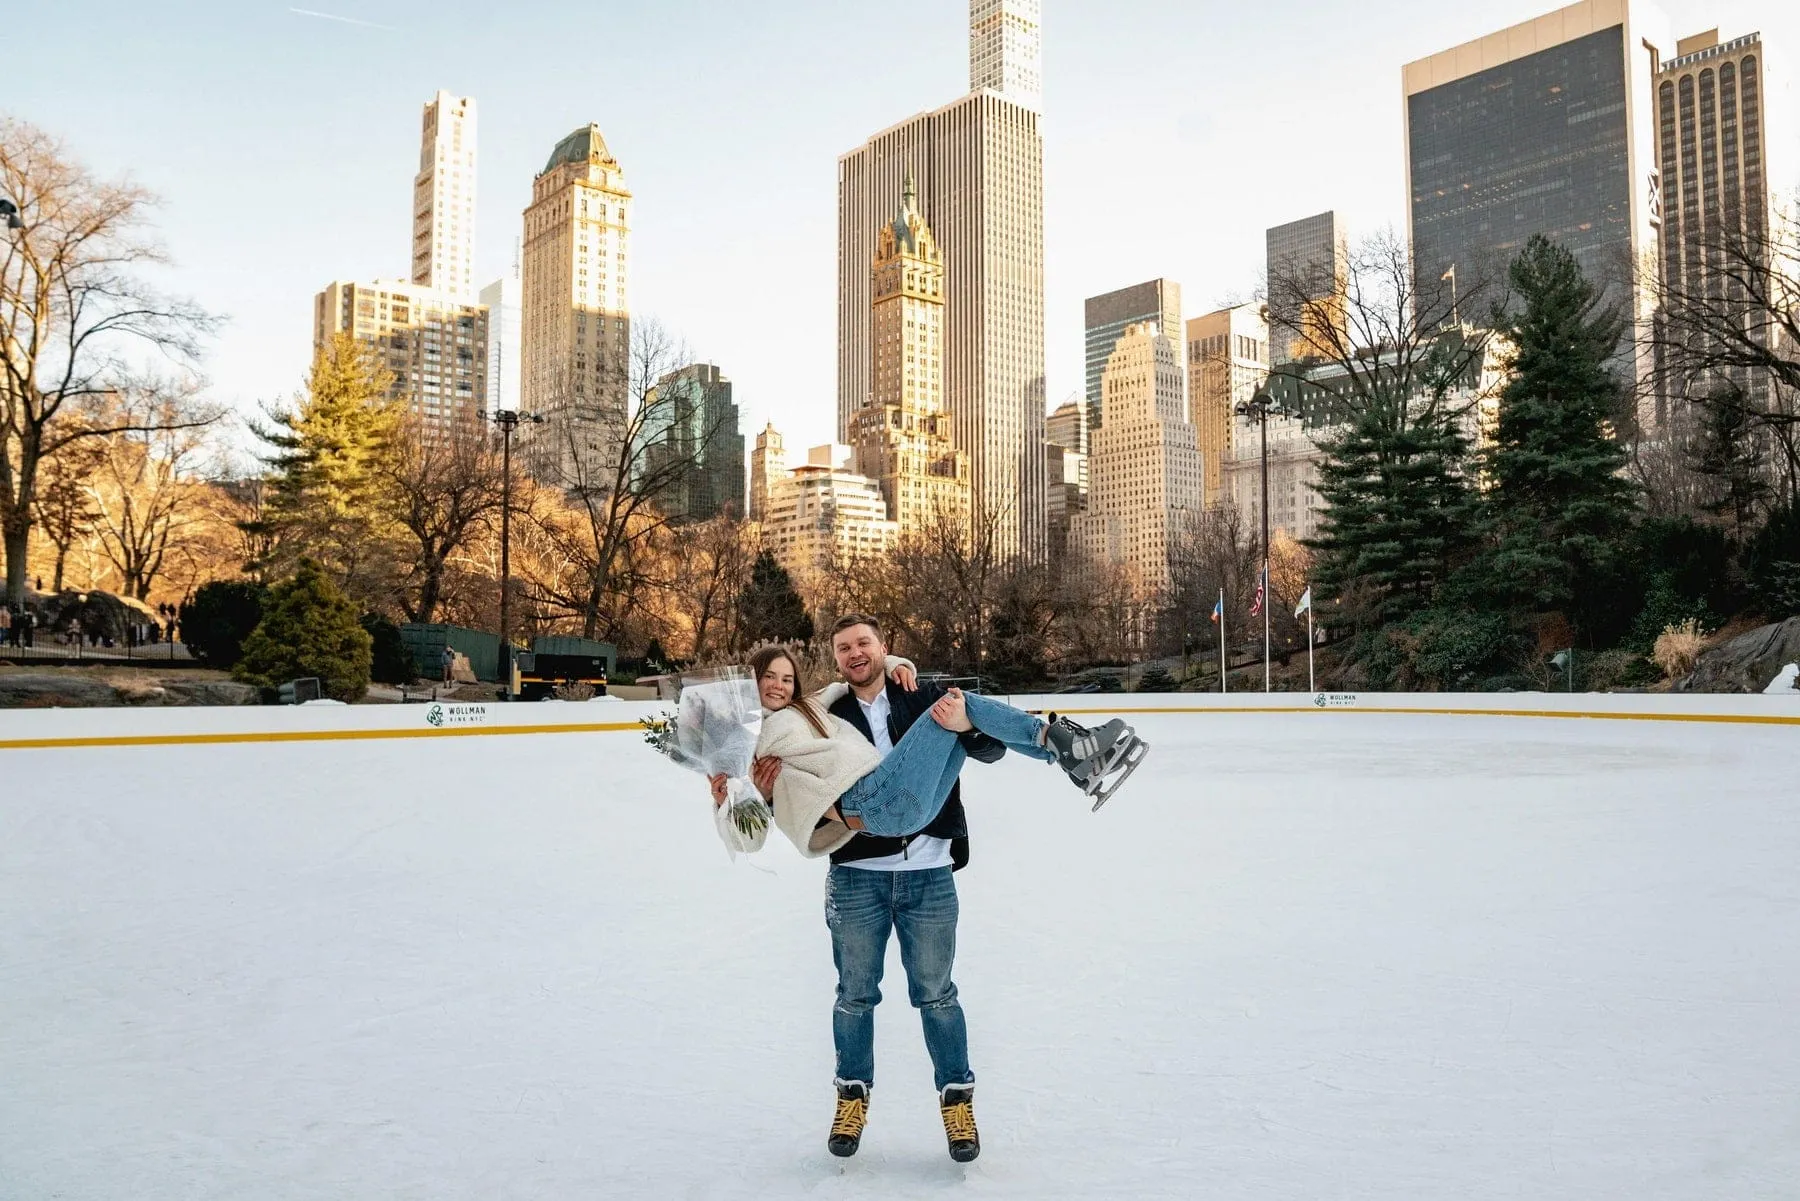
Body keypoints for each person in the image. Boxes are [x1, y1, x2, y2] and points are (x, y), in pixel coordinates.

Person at [708, 632, 1146, 1162]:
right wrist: (735, 793)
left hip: (926, 859)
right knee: (855, 995)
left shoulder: (830, 704)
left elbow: (983, 744)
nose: (777, 685)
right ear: (749, 686)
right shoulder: (745, 743)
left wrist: (905, 671)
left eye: (785, 677)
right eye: (767, 678)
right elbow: (749, 836)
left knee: (938, 994)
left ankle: (957, 1102)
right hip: (863, 845)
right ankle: (852, 1096)